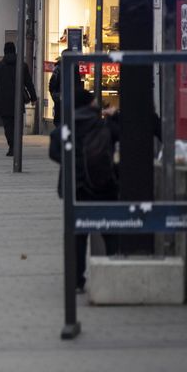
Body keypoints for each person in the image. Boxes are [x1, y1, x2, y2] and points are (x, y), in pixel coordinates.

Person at [49, 84, 120, 292]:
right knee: (110, 231)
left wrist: (73, 163)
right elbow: (122, 134)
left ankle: (77, 280)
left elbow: (53, 152)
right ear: (90, 103)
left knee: (78, 236)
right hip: (103, 187)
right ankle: (113, 273)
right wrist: (114, 116)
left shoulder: (67, 127)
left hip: (76, 189)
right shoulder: (101, 124)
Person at [0, 41, 37, 156]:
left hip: (3, 101)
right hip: (18, 100)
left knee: (8, 126)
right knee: (17, 125)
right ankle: (16, 146)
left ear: (4, 51)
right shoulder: (22, 66)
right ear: (14, 51)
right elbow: (29, 83)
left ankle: (12, 146)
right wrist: (33, 97)